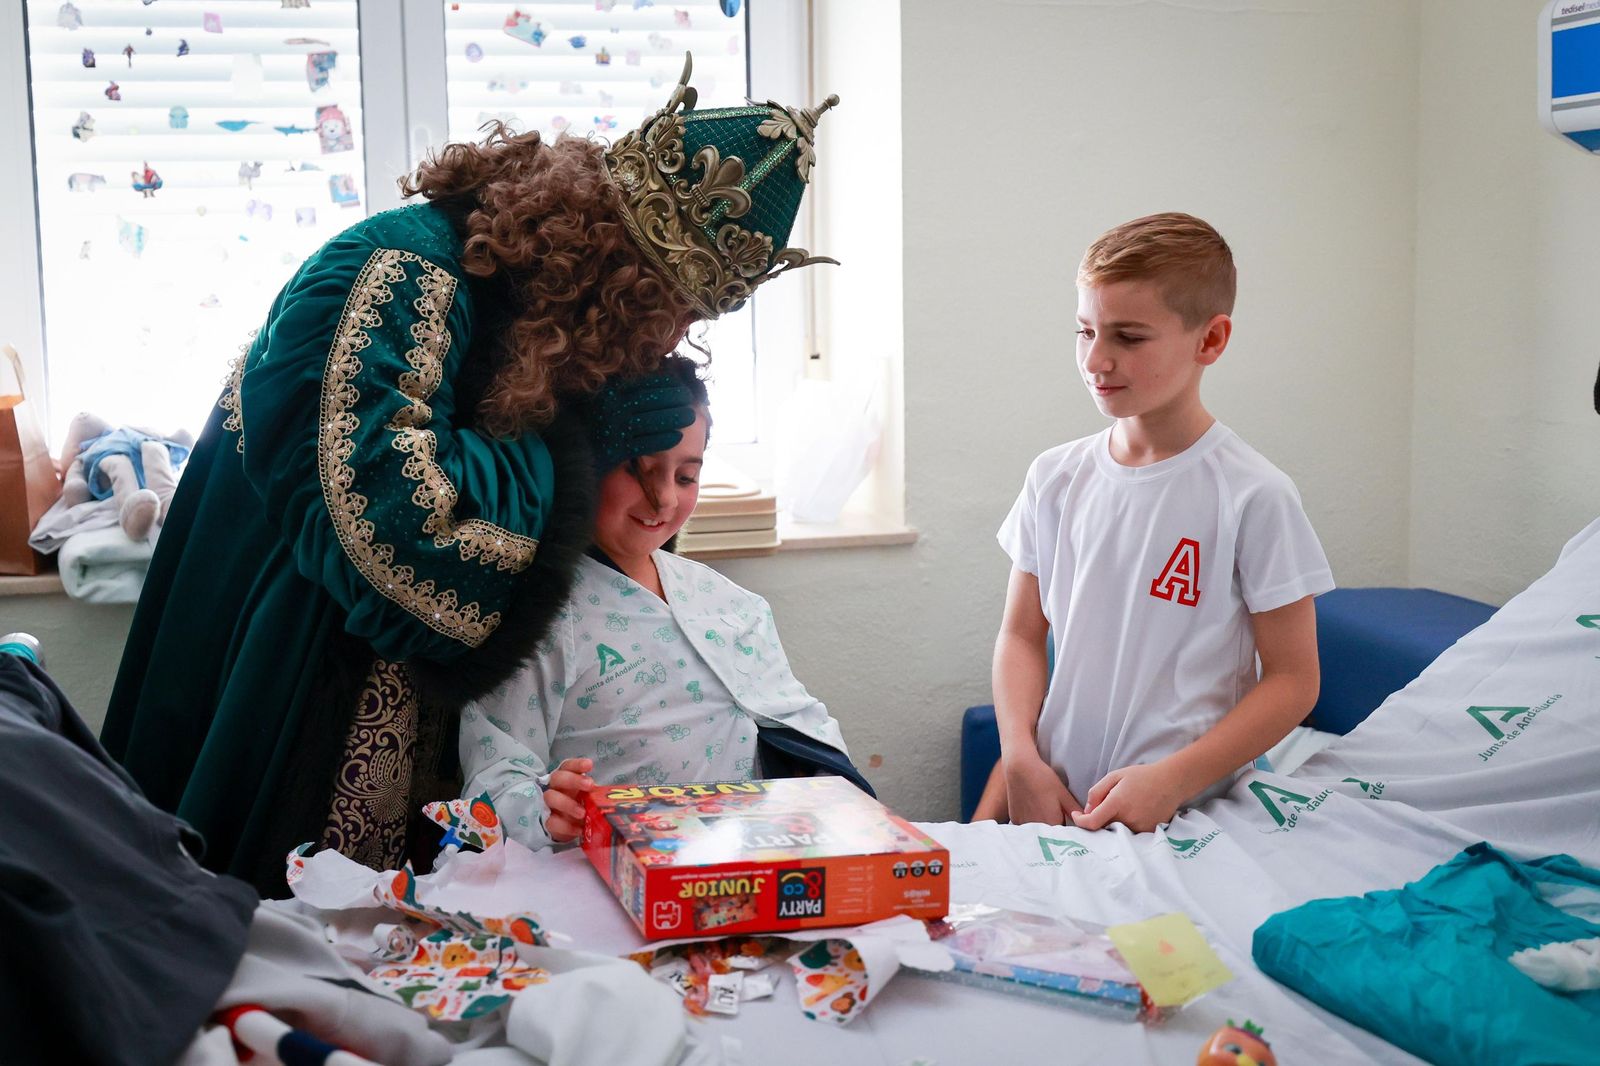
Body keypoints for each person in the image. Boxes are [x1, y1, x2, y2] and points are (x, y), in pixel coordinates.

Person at [99, 55, 842, 894]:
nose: (664, 342)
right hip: (296, 646)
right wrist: (565, 462)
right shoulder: (397, 271)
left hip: (382, 668)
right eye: (665, 309)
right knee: (281, 920)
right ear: (619, 271)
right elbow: (394, 526)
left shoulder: (510, 299)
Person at [984, 212, 1333, 833]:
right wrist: (1019, 757)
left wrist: (1174, 778)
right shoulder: (1055, 478)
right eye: (1085, 331)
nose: (1097, 359)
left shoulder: (1254, 494)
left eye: (1129, 337)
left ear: (1211, 341)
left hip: (1190, 814)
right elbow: (1019, 635)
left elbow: (1294, 679)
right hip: (1059, 799)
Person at [459, 356, 866, 849]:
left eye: (686, 477)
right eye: (640, 470)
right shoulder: (536, 619)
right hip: (610, 875)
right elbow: (495, 777)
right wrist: (545, 807)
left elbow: (803, 726)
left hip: (752, 857)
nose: (665, 500)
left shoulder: (734, 605)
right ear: (585, 463)